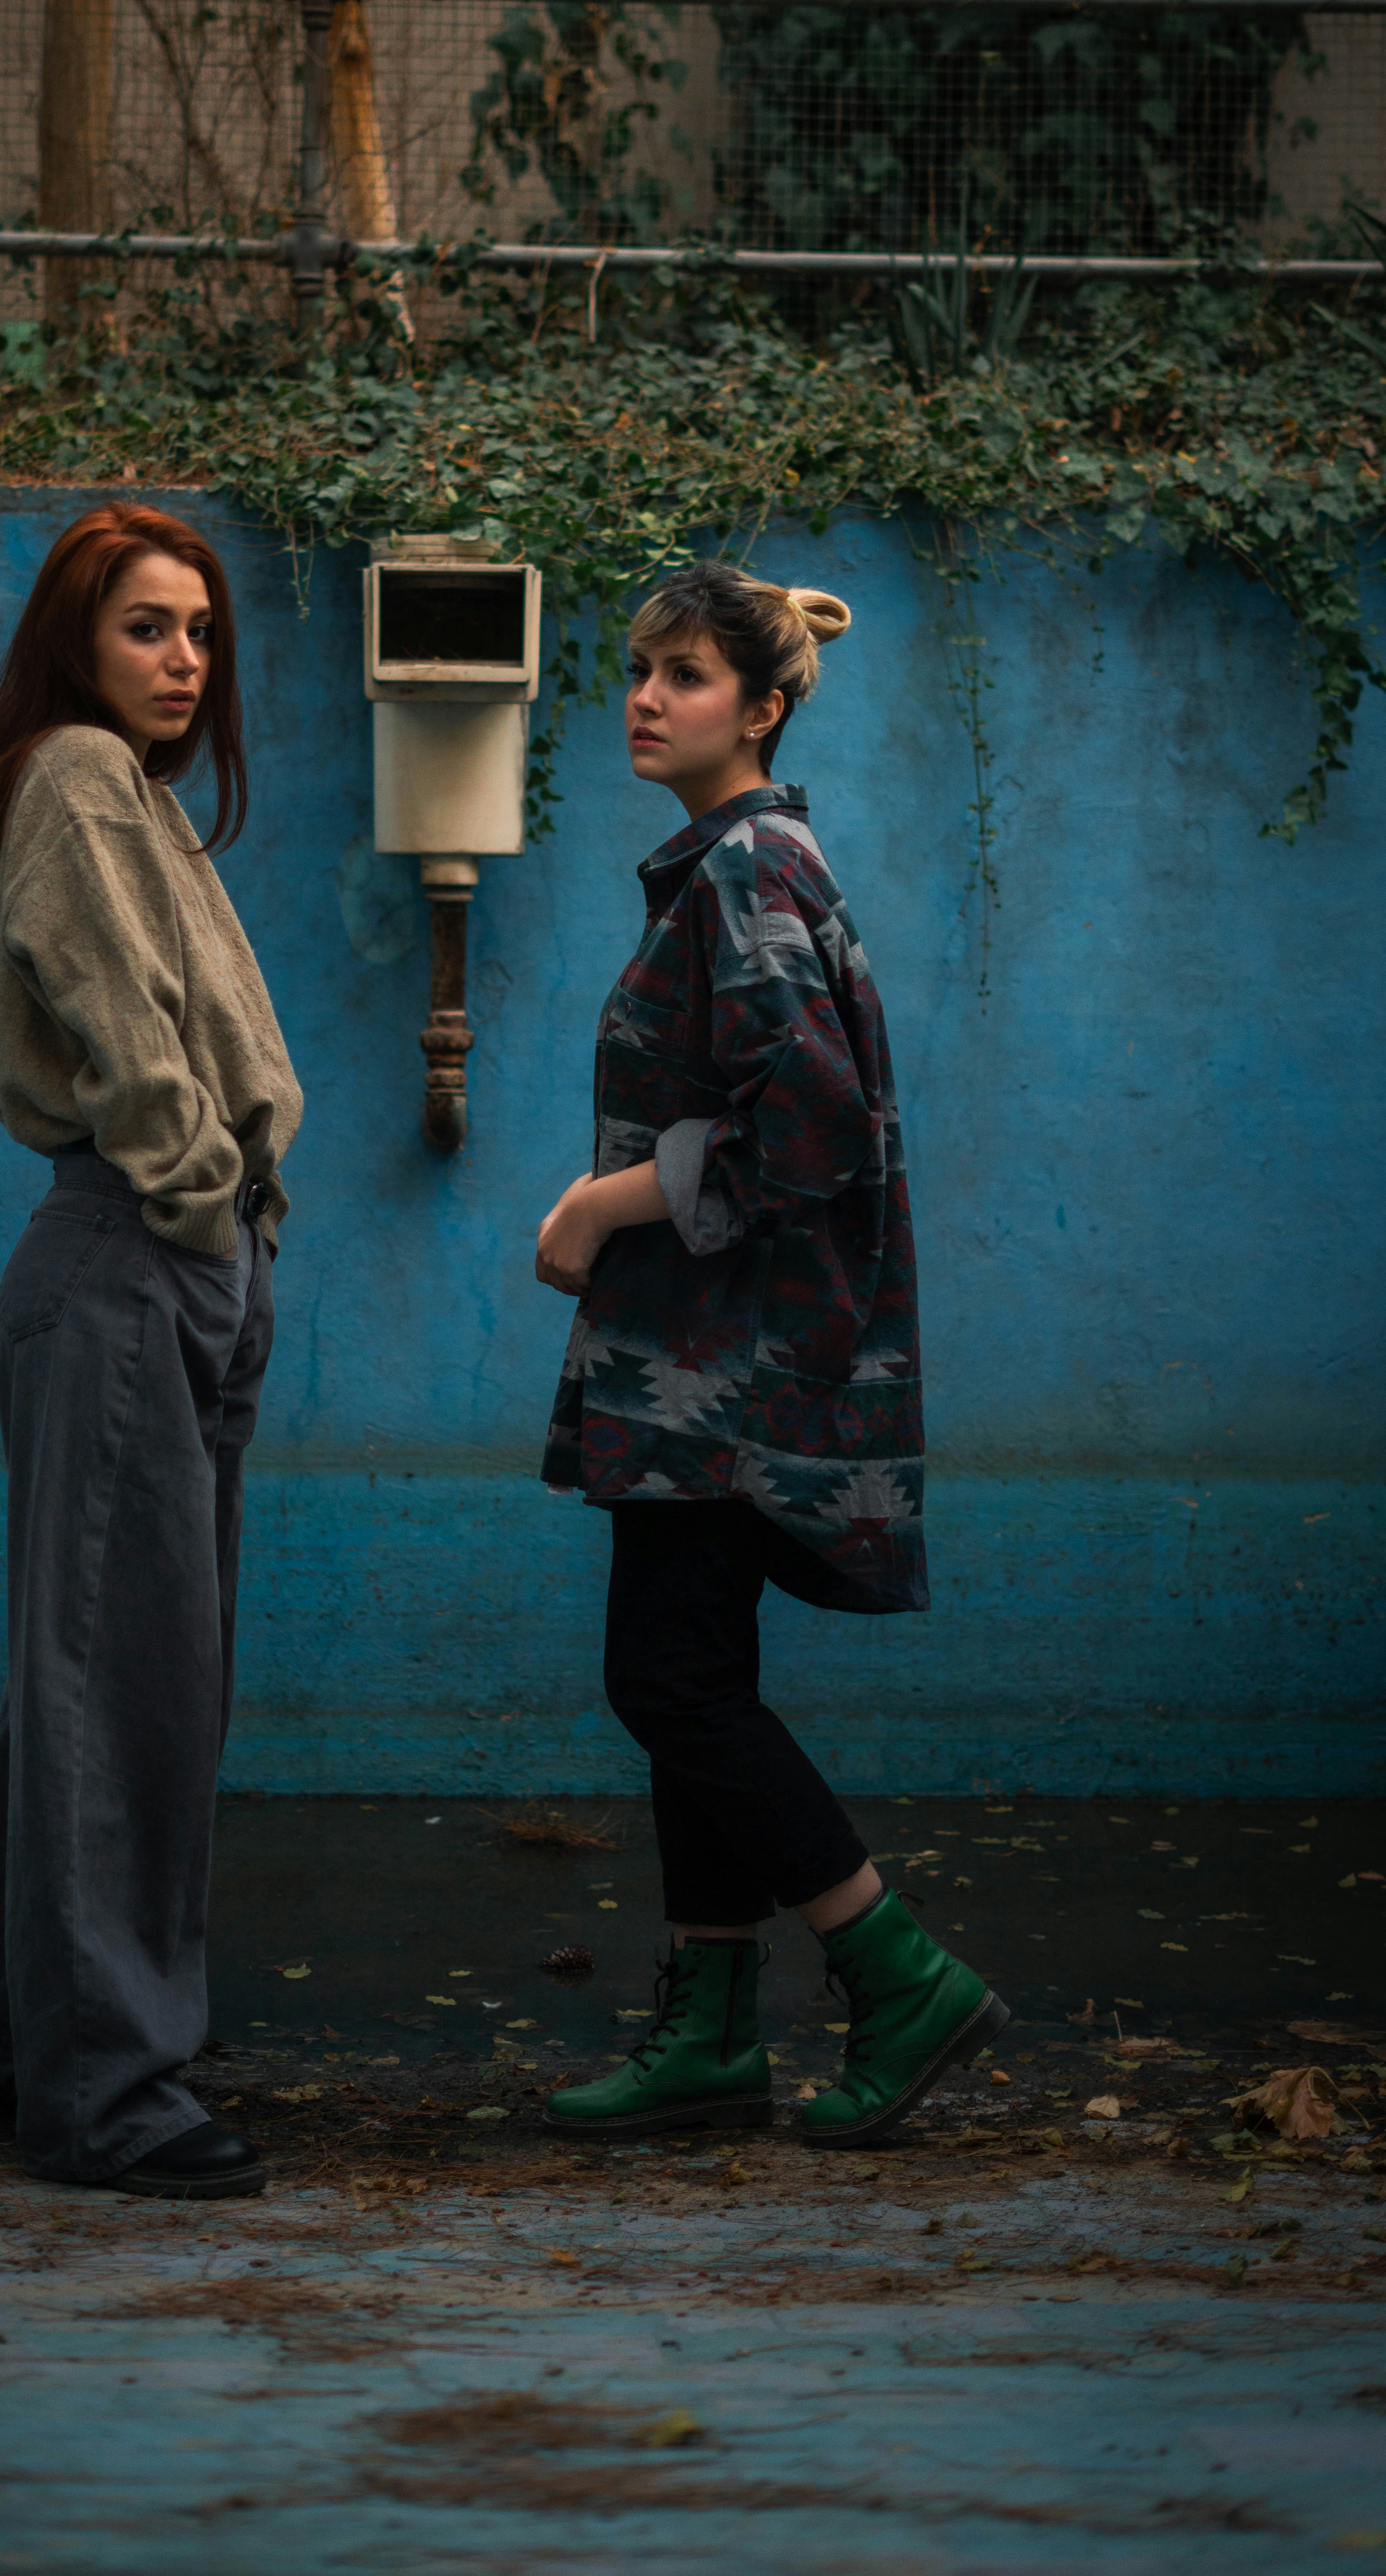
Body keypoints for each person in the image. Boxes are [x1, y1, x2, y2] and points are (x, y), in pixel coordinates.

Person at [535, 560, 1007, 2148]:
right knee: (694, 1675)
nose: (647, 697)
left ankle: (895, 1969)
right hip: (705, 1370)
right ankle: (713, 2030)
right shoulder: (729, 865)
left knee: (662, 1674)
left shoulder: (748, 871)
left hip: (727, 1376)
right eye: (641, 668)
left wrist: (605, 1205)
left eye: (686, 674)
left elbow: (804, 1130)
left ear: (764, 704)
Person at [0, 501, 301, 2200]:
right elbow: (128, 1040)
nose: (181, 660)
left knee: (90, 1672)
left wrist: (227, 1230)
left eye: (201, 631)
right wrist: (204, 1209)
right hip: (133, 1245)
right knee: (123, 1684)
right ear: (77, 641)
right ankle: (111, 2096)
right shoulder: (77, 772)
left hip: (169, 1251)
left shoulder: (136, 798)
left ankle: (15, 2047)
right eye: (148, 626)